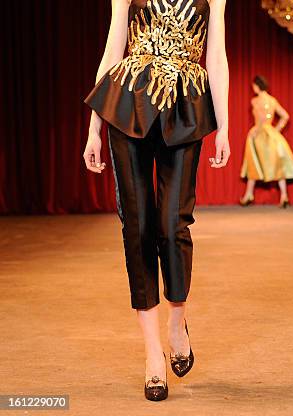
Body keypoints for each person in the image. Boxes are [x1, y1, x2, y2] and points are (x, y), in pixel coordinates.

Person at [82, 0, 229, 401]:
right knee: (138, 227)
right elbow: (113, 52)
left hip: (187, 104)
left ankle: (177, 323)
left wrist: (225, 128)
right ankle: (151, 357)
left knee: (172, 222)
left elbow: (216, 55)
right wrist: (94, 128)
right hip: (128, 101)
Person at [239, 75, 293, 208]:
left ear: (257, 85)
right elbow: (285, 116)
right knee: (277, 165)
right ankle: (284, 196)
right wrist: (276, 129)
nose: (253, 88)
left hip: (260, 134)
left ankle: (249, 195)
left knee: (254, 163)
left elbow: (262, 116)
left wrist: (257, 129)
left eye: (254, 86)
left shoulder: (255, 100)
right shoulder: (272, 100)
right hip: (271, 134)